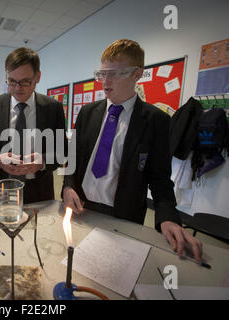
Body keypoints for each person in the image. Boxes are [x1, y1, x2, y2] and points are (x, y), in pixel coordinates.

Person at [62, 39, 203, 261]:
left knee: (115, 273)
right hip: (82, 209)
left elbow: (160, 178)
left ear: (137, 74)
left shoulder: (156, 120)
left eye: (115, 74)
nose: (105, 82)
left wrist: (168, 217)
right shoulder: (87, 113)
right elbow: (73, 159)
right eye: (102, 73)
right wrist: (68, 187)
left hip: (123, 216)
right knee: (74, 266)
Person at [0, 47, 66, 206]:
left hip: (40, 191)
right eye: (12, 81)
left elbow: (62, 152)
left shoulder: (54, 108)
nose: (17, 88)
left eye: (25, 81)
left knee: (40, 231)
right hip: (1, 189)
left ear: (38, 77)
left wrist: (42, 162)